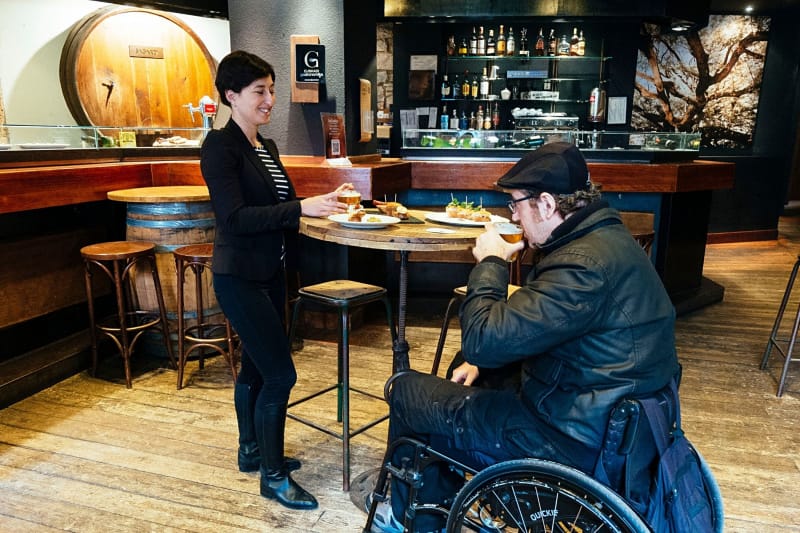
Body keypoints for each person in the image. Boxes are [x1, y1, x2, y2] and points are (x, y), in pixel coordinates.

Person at [370, 142, 680, 532]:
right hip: (607, 425)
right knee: (465, 370)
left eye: (515, 204)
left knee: (407, 392)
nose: (513, 216)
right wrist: (481, 359)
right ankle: (431, 503)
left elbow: (481, 339)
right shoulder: (607, 241)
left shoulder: (581, 265)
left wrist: (493, 263)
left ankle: (402, 518)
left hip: (569, 446)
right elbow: (536, 334)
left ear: (547, 204)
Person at [201, 50, 354, 511]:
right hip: (238, 277)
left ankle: (251, 451)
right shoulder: (219, 147)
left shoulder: (264, 148)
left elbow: (281, 206)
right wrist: (302, 208)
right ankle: (273, 476)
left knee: (255, 367)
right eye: (260, 91)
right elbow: (235, 217)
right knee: (281, 374)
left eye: (271, 89)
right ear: (231, 96)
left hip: (270, 275)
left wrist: (326, 201)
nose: (270, 99)